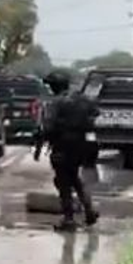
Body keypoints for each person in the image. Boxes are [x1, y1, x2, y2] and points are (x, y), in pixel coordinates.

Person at [34, 71, 100, 231]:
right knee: (75, 178)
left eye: (50, 86)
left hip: (63, 146)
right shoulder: (82, 99)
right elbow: (95, 113)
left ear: (55, 87)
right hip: (82, 146)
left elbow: (47, 127)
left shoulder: (56, 103)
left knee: (63, 182)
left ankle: (69, 219)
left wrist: (39, 144)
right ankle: (89, 210)